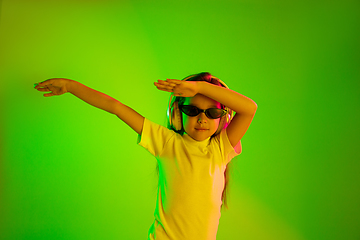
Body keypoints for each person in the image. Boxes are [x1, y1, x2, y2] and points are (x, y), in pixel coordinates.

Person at [34, 72, 257, 240]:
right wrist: (71, 86)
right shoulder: (166, 142)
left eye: (212, 112)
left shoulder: (220, 149)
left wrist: (199, 87)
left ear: (223, 118)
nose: (202, 119)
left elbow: (249, 108)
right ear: (178, 114)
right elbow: (116, 107)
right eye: (193, 110)